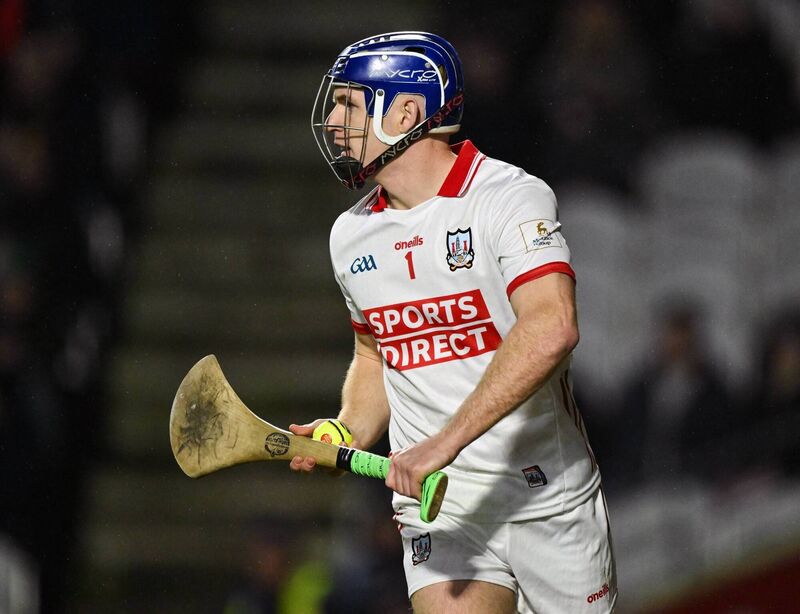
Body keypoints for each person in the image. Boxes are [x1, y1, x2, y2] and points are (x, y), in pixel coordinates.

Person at [290, 31, 616, 613]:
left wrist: (443, 444)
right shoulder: (350, 235)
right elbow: (376, 355)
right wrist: (346, 430)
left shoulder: (509, 197)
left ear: (407, 111)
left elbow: (552, 328)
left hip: (545, 499)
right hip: (438, 507)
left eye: (349, 104)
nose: (334, 122)